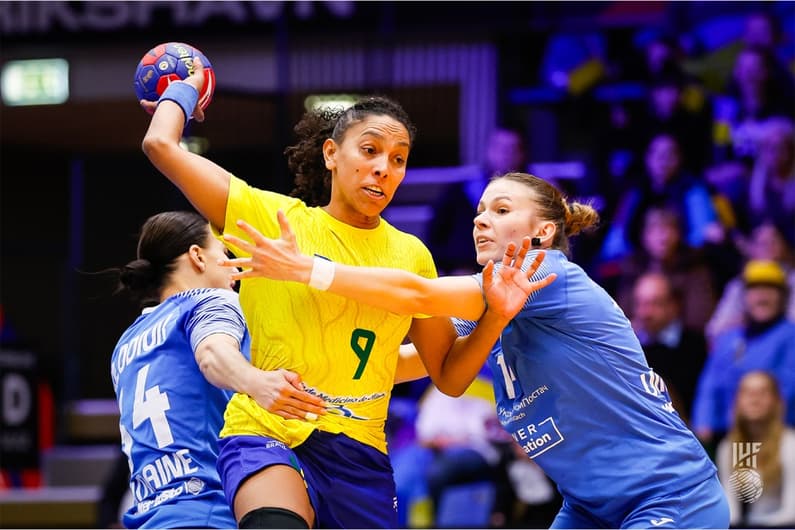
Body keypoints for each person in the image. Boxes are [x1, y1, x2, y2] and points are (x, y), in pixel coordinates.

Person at [139, 61, 551, 528]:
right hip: (267, 431)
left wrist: (494, 318)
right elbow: (160, 145)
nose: (384, 168)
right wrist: (186, 90)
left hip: (358, 452)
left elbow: (450, 377)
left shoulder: (411, 255)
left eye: (398, 159)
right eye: (371, 150)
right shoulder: (272, 217)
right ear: (332, 154)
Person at [221, 172, 730, 528]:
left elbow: (418, 294)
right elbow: (417, 365)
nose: (481, 220)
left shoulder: (546, 272)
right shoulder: (490, 303)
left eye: (502, 210)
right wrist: (311, 377)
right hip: (592, 506)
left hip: (668, 494)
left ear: (543, 232)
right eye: (480, 210)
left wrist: (309, 269)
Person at [109, 211, 324, 529]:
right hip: (210, 511)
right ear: (197, 257)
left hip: (152, 517)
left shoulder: (126, 343)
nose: (235, 273)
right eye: (224, 253)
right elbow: (212, 353)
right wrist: (257, 382)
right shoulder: (209, 300)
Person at [692, 259, 795, 448]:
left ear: (783, 297)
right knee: (736, 475)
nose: (762, 296)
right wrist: (703, 422)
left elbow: (788, 388)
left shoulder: (790, 336)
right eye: (755, 289)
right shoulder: (728, 338)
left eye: (770, 289)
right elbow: (709, 384)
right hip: (728, 436)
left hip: (776, 436)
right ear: (744, 297)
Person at [716, 370, 795, 528]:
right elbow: (732, 511)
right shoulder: (729, 447)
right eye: (747, 392)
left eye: (762, 392)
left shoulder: (789, 443)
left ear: (777, 401)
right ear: (737, 401)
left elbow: (792, 512)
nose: (754, 398)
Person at [629, 272, 708, 425]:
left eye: (654, 303)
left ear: (673, 306)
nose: (645, 313)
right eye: (641, 304)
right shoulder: (630, 346)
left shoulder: (695, 344)